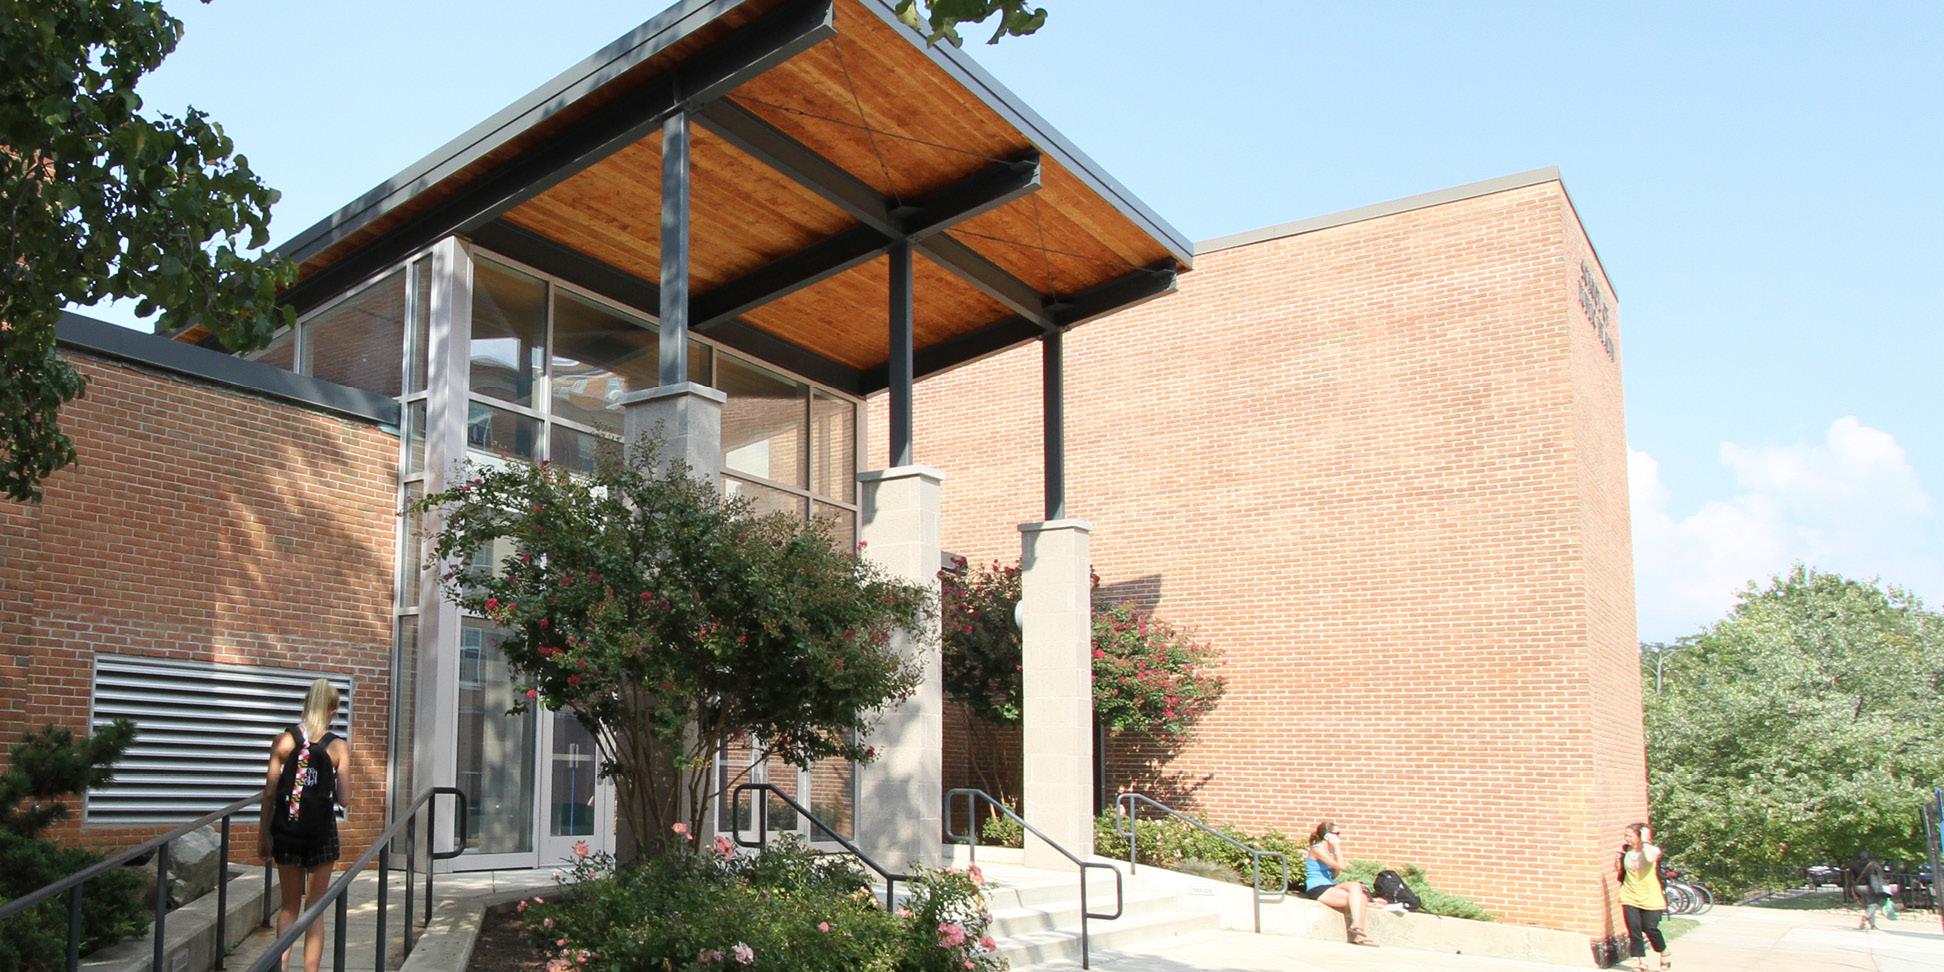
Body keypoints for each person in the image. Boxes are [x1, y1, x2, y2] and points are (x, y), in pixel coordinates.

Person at [258, 679, 352, 972]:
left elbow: (270, 793)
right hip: (321, 834)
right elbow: (345, 799)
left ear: (306, 704)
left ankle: (279, 967)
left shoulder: (284, 741)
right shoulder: (337, 746)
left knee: (288, 907)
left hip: (287, 831)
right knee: (315, 909)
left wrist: (264, 835)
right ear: (332, 710)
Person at [1303, 821, 1377, 946]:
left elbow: (1335, 874)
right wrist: (1337, 848)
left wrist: (1335, 854)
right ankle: (1357, 930)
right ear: (1327, 836)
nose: (1338, 837)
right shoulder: (1317, 850)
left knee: (1360, 895)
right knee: (1357, 892)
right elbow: (1342, 866)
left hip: (1329, 885)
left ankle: (1358, 931)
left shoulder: (1329, 851)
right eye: (1336, 834)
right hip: (1317, 888)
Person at [1616, 822, 1670, 971]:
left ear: (1640, 836)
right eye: (1625, 835)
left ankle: (1664, 951)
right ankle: (1641, 962)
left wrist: (1645, 839)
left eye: (1630, 836)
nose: (1627, 839)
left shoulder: (1653, 850)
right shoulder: (1626, 850)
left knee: (1650, 928)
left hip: (1651, 897)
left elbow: (1649, 858)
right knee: (1634, 929)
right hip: (1629, 895)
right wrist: (1618, 859)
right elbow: (1620, 870)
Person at [1852, 851, 1893, 930]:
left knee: (1869, 904)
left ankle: (1872, 925)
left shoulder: (1854, 865)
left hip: (1858, 887)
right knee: (1875, 904)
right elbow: (1880, 876)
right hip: (1870, 887)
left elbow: (1852, 878)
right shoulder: (1873, 865)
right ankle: (1866, 917)